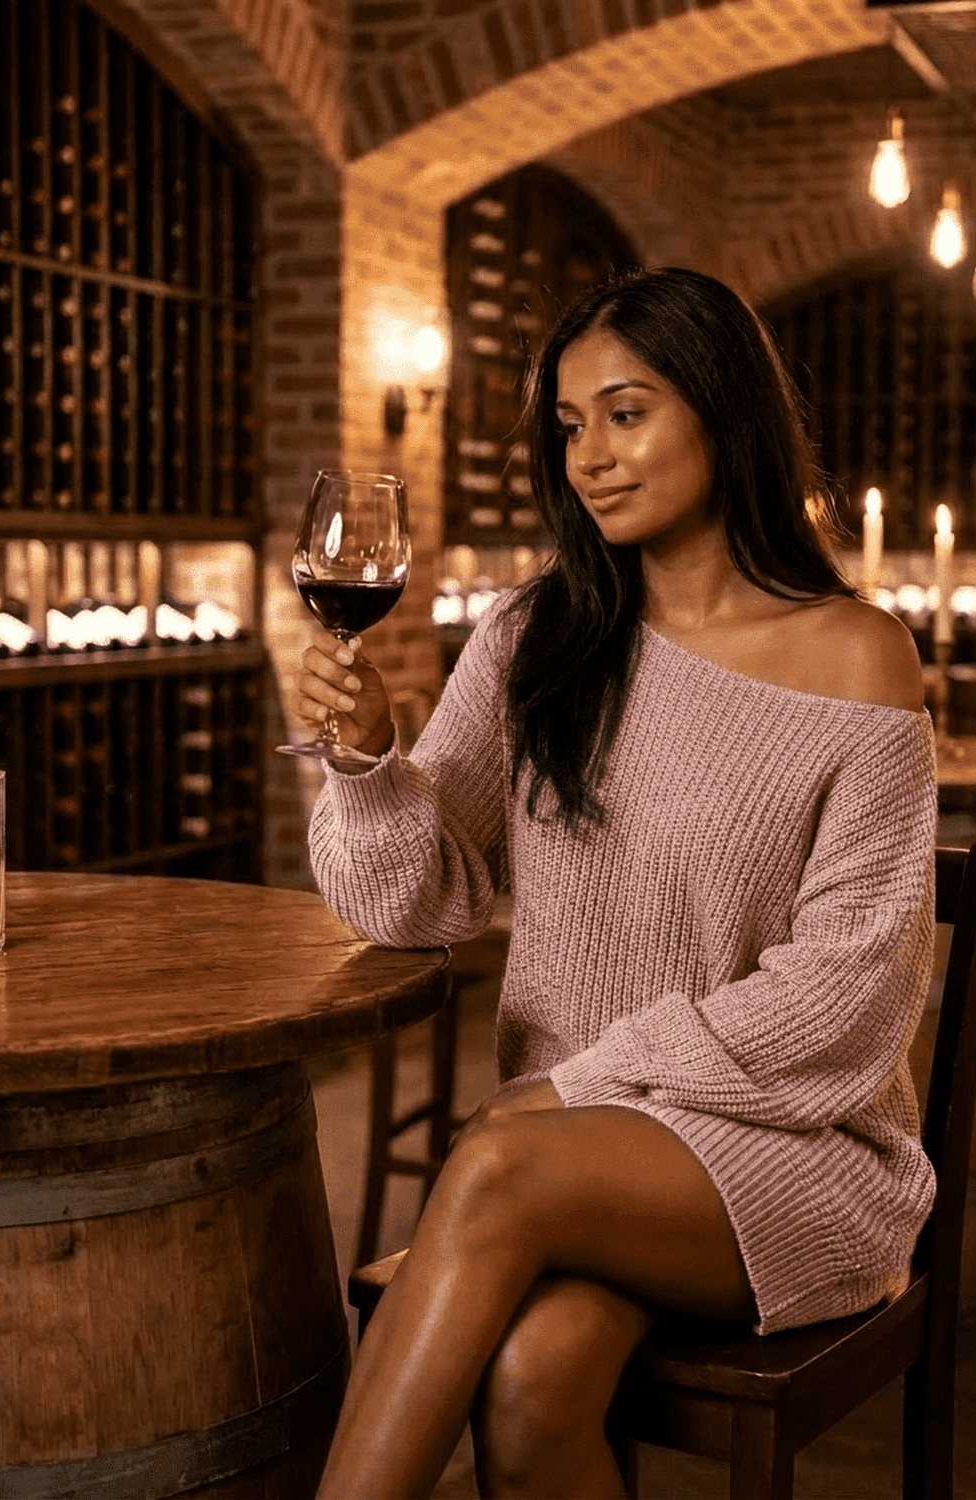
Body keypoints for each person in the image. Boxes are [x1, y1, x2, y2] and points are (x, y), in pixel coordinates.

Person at [296, 267, 937, 1500]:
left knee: (487, 1161)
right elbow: (414, 904)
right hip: (575, 1155)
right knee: (534, 1386)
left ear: (721, 408)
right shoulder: (539, 640)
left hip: (795, 1146)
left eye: (628, 412)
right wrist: (368, 760)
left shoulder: (859, 658)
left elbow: (846, 1001)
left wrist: (574, 1088)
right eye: (571, 425)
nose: (591, 456)